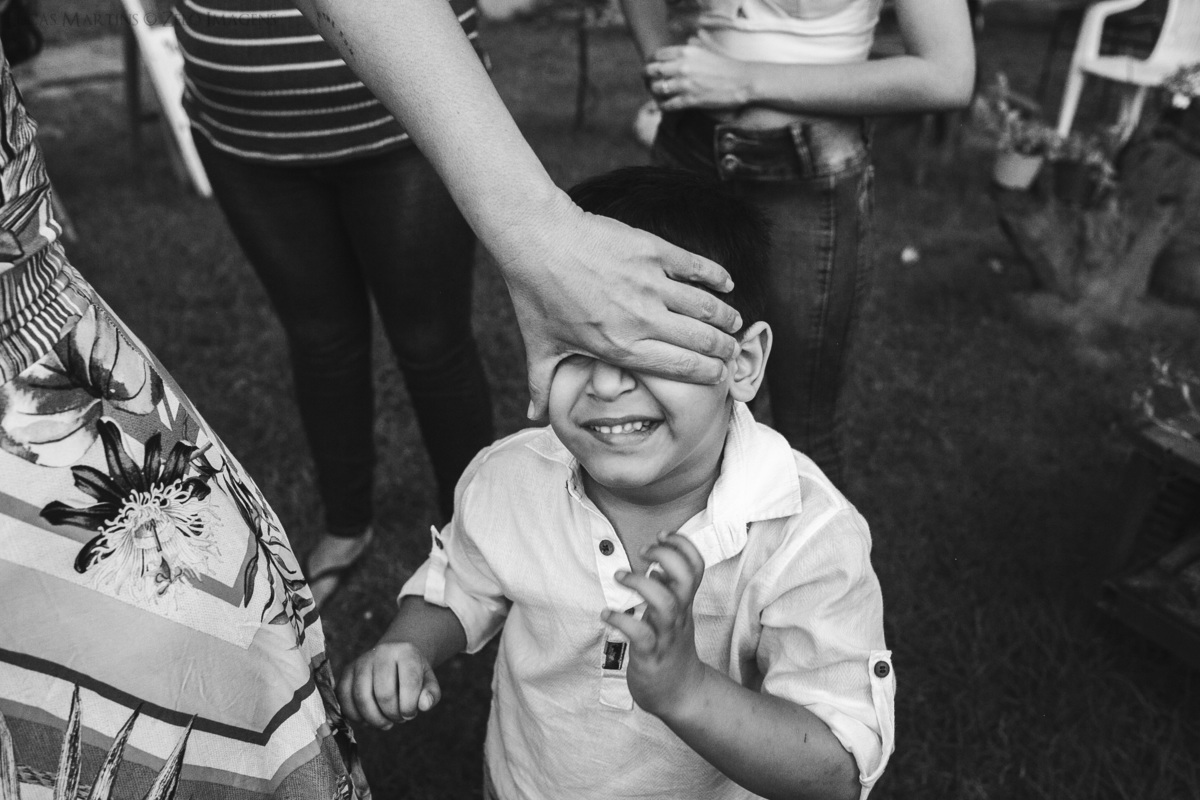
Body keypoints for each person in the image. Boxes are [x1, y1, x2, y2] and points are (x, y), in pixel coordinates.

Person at [337, 167, 895, 800]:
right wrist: (408, 645)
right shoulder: (512, 476)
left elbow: (836, 769)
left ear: (741, 363)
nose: (604, 385)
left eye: (648, 345)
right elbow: (460, 581)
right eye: (574, 346)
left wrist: (686, 690)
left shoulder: (806, 533)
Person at [174, 0, 496, 610]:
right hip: (244, 125)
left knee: (433, 344)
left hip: (408, 114)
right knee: (319, 337)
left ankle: (477, 544)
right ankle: (346, 526)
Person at [620, 0, 976, 486]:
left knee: (804, 430)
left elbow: (948, 73)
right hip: (688, 151)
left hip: (806, 179)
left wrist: (743, 79)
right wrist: (660, 58)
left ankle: (806, 561)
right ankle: (678, 556)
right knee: (666, 397)